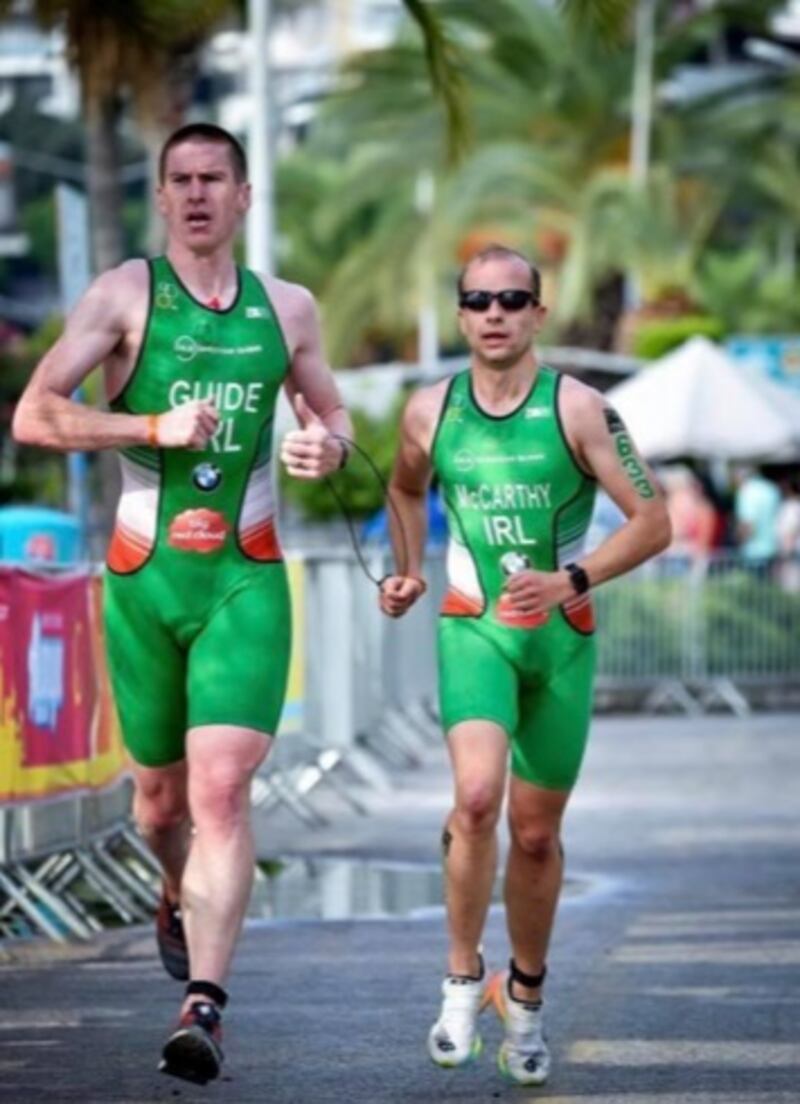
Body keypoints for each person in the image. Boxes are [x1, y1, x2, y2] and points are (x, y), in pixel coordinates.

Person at [12, 123, 352, 1085]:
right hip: (143, 578)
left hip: (246, 574)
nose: (197, 194)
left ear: (244, 196)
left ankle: (203, 1005)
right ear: (161, 197)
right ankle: (174, 887)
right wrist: (147, 423)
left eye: (215, 179)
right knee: (159, 799)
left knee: (220, 790)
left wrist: (324, 445)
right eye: (180, 180)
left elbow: (329, 413)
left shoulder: (286, 308)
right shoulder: (124, 295)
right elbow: (35, 414)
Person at [379, 244, 671, 1086]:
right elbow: (404, 489)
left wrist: (572, 577)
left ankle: (527, 995)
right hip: (474, 629)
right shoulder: (429, 412)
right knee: (476, 800)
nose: (495, 313)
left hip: (562, 636)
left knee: (536, 834)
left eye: (513, 298)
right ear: (462, 314)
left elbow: (653, 522)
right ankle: (463, 980)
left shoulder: (579, 409)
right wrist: (405, 569)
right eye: (478, 300)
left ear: (539, 312)